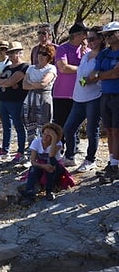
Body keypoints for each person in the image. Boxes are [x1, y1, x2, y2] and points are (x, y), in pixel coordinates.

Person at [63, 27, 104, 172]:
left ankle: (90, 159)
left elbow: (97, 77)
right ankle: (70, 156)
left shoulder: (102, 57)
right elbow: (82, 76)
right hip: (78, 98)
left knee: (92, 130)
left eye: (92, 39)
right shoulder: (86, 55)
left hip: (94, 98)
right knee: (69, 128)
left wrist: (91, 79)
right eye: (88, 39)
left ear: (101, 39)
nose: (89, 41)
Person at [90, 21, 119, 183]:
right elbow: (95, 74)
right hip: (106, 94)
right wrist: (107, 74)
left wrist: (102, 75)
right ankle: (112, 162)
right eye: (105, 35)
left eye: (111, 34)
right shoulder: (104, 53)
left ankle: (116, 165)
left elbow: (115, 74)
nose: (107, 37)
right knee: (109, 130)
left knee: (116, 131)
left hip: (117, 95)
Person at [19, 123, 73, 205]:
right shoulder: (36, 142)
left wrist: (54, 139)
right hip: (42, 164)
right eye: (44, 134)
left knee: (51, 165)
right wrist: (44, 166)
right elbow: (33, 161)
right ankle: (29, 194)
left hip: (56, 166)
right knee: (33, 169)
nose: (45, 137)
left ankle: (49, 191)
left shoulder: (58, 144)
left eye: (49, 135)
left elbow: (51, 156)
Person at [0, 41, 29, 162]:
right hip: (3, 99)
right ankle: (5, 149)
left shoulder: (24, 67)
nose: (11, 55)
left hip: (16, 100)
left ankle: (20, 151)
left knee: (19, 125)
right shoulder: (7, 67)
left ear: (19, 53)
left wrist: (6, 82)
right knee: (6, 126)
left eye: (13, 53)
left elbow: (11, 81)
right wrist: (6, 83)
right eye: (9, 53)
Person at [53, 22, 89, 130]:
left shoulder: (87, 51)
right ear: (76, 35)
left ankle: (74, 146)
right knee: (60, 124)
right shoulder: (62, 49)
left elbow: (88, 71)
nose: (86, 37)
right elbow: (63, 68)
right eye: (84, 34)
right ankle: (59, 145)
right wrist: (81, 68)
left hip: (79, 94)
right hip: (62, 94)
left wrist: (84, 57)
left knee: (75, 125)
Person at [22, 44, 57, 145]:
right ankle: (32, 148)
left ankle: (44, 149)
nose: (41, 56)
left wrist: (32, 83)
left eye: (44, 54)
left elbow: (43, 83)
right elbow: (24, 85)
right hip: (30, 99)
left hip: (44, 99)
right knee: (30, 125)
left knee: (44, 126)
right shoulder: (31, 68)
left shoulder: (51, 68)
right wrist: (36, 85)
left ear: (49, 56)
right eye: (40, 53)